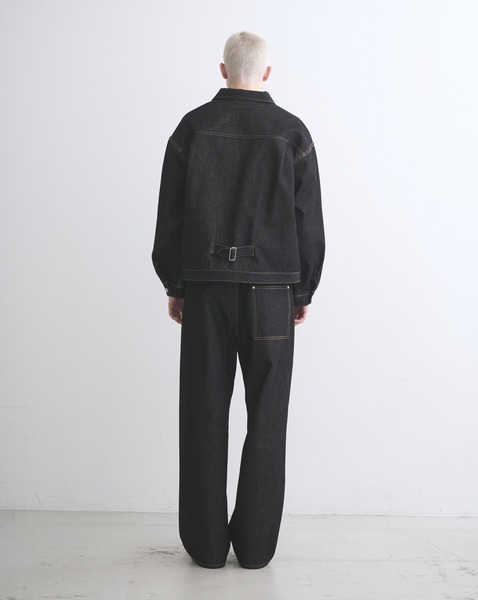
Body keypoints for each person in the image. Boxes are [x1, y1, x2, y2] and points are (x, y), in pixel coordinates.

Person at [152, 31, 325, 569]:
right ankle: (255, 548)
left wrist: (176, 285)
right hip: (271, 294)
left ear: (222, 69)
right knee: (267, 417)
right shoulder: (292, 132)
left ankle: (205, 548)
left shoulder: (192, 127)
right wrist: (303, 290)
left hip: (205, 290)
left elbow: (170, 216)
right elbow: (308, 221)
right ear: (267, 73)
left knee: (203, 414)